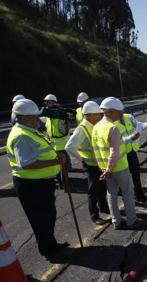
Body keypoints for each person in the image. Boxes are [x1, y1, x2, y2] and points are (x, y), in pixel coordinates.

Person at [6, 99, 69, 259]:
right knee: (41, 219)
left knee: (48, 216)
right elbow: (27, 163)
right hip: (32, 185)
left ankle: (51, 245)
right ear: (24, 118)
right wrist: (56, 161)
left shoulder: (29, 130)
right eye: (34, 117)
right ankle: (49, 251)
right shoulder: (22, 136)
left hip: (40, 183)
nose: (38, 120)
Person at [92, 97, 145, 230]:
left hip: (105, 169)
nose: (122, 114)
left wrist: (104, 169)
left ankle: (116, 221)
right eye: (118, 112)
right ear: (109, 112)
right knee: (127, 193)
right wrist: (109, 168)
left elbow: (96, 151)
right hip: (119, 167)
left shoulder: (96, 127)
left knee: (111, 195)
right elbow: (114, 152)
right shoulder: (112, 128)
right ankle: (132, 221)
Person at [65, 101, 110, 225]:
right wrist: (82, 159)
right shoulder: (82, 129)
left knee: (102, 187)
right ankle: (94, 215)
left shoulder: (94, 125)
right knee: (93, 190)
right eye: (97, 114)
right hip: (90, 165)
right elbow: (69, 147)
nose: (100, 116)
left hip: (99, 164)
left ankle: (104, 208)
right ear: (89, 115)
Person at [115, 113, 147, 202]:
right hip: (121, 154)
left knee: (136, 174)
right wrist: (131, 138)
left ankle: (139, 195)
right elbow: (116, 140)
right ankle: (126, 199)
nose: (121, 112)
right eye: (118, 110)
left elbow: (139, 125)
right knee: (123, 178)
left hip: (131, 151)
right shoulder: (111, 122)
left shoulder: (128, 117)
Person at [41, 94, 75, 172]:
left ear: (54, 102)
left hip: (62, 146)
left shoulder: (61, 113)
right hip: (53, 146)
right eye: (45, 102)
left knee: (65, 168)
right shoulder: (48, 115)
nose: (46, 104)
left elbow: (70, 117)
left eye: (48, 102)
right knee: (59, 168)